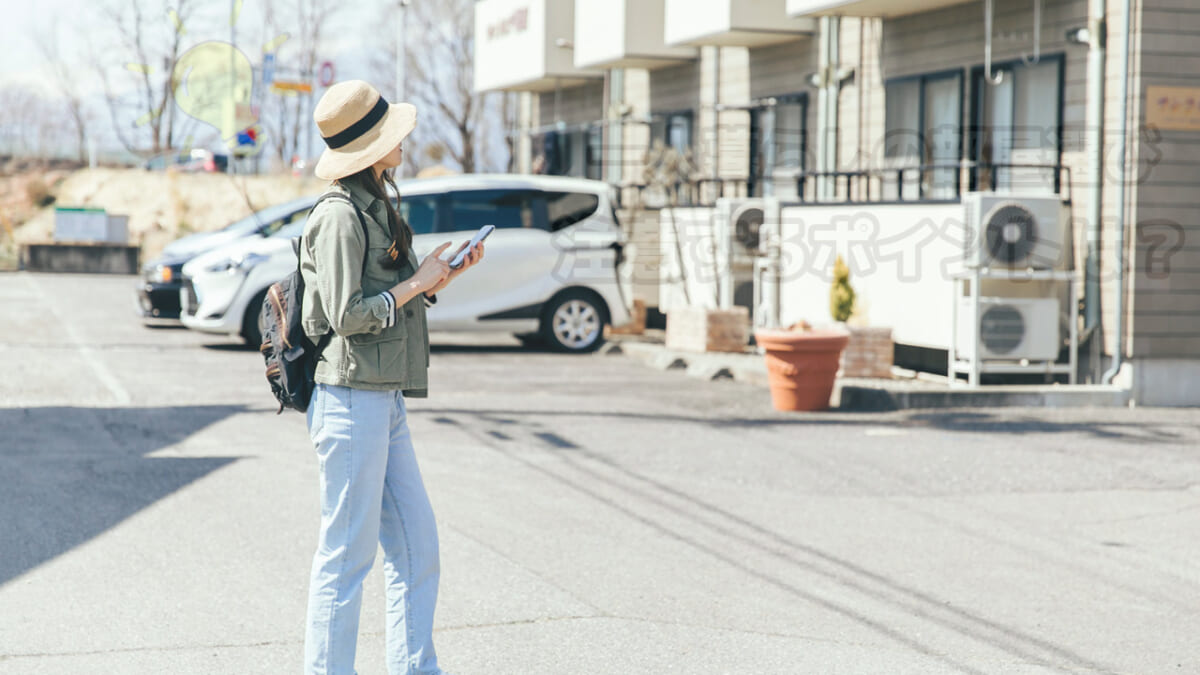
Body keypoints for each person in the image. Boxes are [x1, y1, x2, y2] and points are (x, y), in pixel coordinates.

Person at [298, 80, 483, 675]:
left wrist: (440, 278)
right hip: (349, 398)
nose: (403, 138)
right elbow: (345, 316)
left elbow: (390, 298)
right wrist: (416, 283)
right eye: (391, 133)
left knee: (416, 548)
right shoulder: (338, 216)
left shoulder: (375, 204)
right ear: (367, 146)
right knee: (346, 559)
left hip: (381, 397)